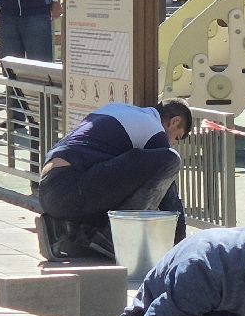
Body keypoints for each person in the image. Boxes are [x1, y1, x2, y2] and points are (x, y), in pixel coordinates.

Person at [38, 99, 192, 260]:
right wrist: (180, 248)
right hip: (72, 187)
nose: (173, 143)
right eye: (177, 137)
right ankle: (114, 236)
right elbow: (169, 195)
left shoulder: (115, 109)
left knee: (132, 172)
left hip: (49, 189)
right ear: (174, 122)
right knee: (171, 160)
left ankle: (73, 229)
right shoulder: (154, 129)